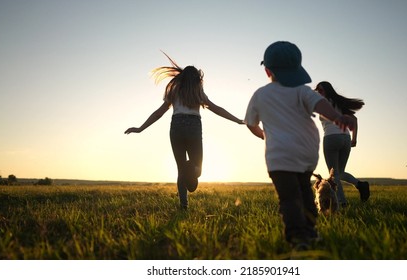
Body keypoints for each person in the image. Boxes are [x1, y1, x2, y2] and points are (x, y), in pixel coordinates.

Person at [245, 41, 356, 249]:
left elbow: (250, 123)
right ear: (297, 69)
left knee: (289, 198)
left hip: (279, 157)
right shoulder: (302, 91)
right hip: (305, 155)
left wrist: (263, 135)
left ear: (267, 70)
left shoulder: (260, 94)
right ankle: (310, 231)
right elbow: (322, 106)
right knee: (305, 194)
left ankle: (298, 237)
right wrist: (338, 117)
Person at [125, 52, 244, 210]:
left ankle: (183, 206)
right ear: (196, 79)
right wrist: (237, 120)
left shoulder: (174, 92)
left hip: (176, 126)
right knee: (198, 170)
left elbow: (158, 113)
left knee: (181, 169)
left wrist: (140, 128)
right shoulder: (198, 93)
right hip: (193, 126)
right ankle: (191, 168)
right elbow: (216, 109)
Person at [314, 81, 370, 206]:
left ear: (326, 91)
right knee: (339, 172)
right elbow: (354, 119)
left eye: (320, 90)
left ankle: (341, 202)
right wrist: (354, 139)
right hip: (345, 138)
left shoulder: (322, 103)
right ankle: (360, 185)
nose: (318, 92)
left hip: (331, 138)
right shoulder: (339, 103)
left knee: (333, 175)